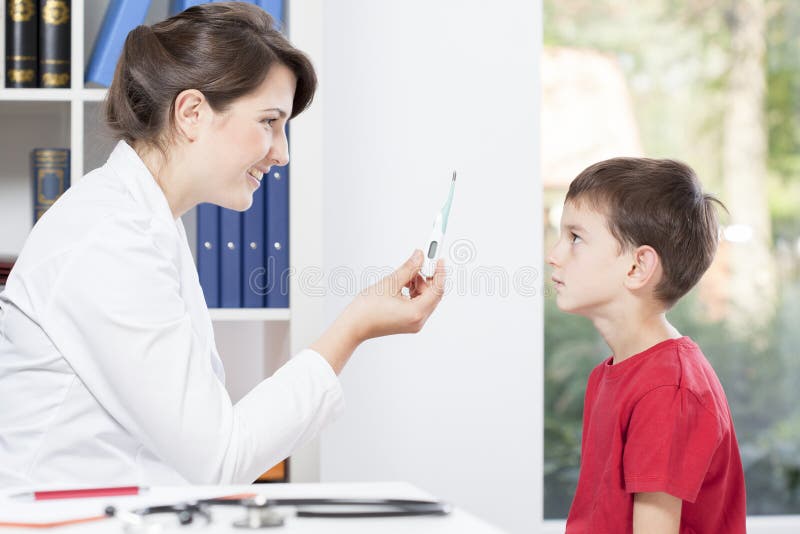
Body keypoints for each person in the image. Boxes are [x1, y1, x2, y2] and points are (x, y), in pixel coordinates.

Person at [0, 2, 445, 486]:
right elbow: (221, 457)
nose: (282, 153)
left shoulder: (145, 222)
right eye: (269, 122)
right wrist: (353, 327)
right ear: (192, 113)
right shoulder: (107, 240)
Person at [547, 158, 746, 533]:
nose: (553, 255)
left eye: (575, 238)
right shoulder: (613, 375)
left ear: (637, 267)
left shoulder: (668, 392)